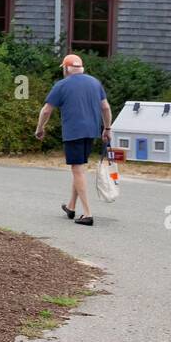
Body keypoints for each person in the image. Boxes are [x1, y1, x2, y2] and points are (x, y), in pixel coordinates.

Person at [35, 54, 112, 226]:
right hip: (91, 131)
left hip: (74, 132)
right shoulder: (94, 82)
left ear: (66, 68)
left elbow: (46, 110)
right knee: (79, 169)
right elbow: (105, 107)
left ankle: (87, 214)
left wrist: (40, 128)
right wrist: (107, 129)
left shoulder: (62, 85)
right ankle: (71, 207)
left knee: (77, 169)